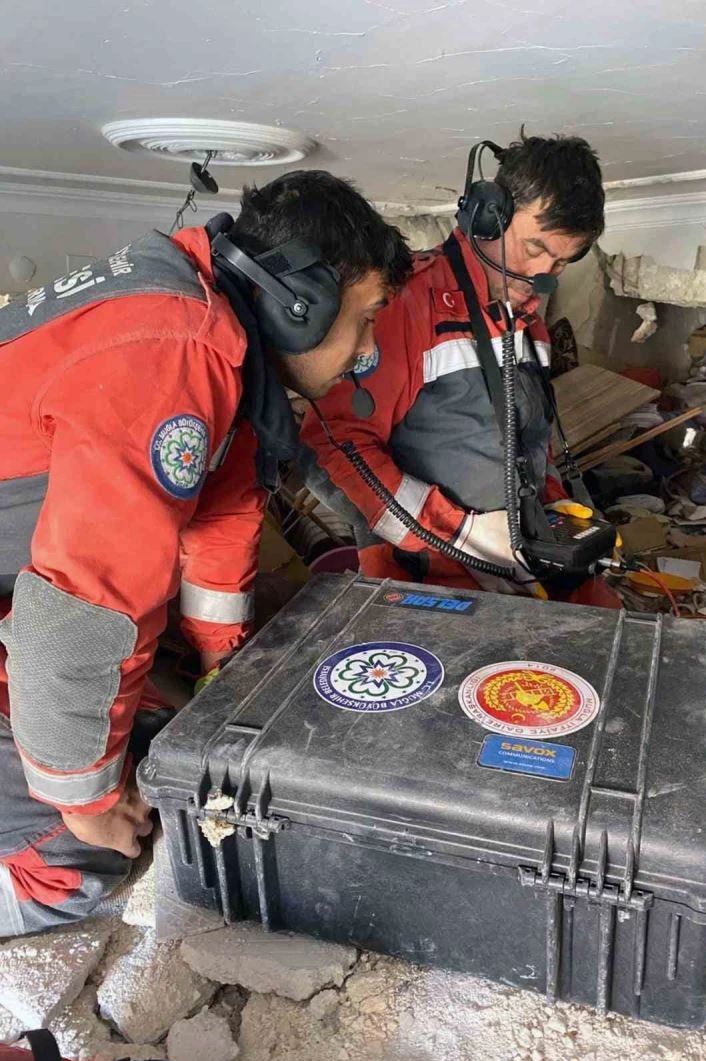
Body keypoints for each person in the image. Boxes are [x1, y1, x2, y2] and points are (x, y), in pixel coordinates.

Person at [0, 170, 412, 934]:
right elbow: (85, 603)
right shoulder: (171, 349)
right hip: (49, 606)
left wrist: (225, 674)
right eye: (364, 321)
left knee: (153, 740)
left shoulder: (214, 335)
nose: (365, 351)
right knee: (76, 853)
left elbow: (218, 522)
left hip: (20, 600)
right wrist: (86, 800)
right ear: (301, 301)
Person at [301, 133, 618, 605]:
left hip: (526, 570)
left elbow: (530, 444)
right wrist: (458, 535)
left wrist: (562, 517)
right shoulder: (404, 303)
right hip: (424, 583)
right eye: (534, 248)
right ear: (487, 215)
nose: (543, 275)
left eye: (561, 262)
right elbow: (331, 447)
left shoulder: (529, 320)